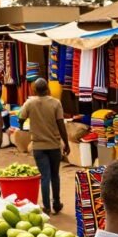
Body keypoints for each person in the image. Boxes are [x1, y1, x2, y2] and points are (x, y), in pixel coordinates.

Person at [19, 79, 70, 214]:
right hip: (54, 145)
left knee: (44, 176)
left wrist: (22, 126)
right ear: (48, 89)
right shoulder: (55, 103)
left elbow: (21, 117)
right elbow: (61, 125)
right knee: (55, 175)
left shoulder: (30, 102)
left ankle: (46, 206)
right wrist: (66, 143)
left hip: (38, 146)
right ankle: (57, 203)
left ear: (34, 90)